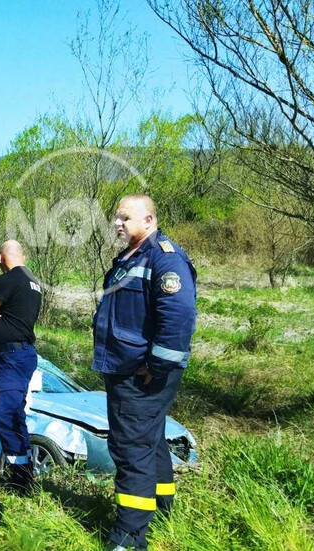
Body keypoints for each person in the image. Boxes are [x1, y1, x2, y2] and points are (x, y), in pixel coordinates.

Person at [92, 194, 197, 551]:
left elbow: (179, 317)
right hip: (127, 369)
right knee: (149, 441)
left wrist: (157, 365)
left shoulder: (164, 259)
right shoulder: (130, 257)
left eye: (125, 217)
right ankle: (164, 509)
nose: (117, 224)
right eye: (115, 218)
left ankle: (128, 537)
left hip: (142, 376)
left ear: (149, 220)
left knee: (130, 448)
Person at [0, 240, 42, 493]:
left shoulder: (9, 279)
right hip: (22, 355)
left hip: (12, 356)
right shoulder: (33, 282)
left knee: (5, 414)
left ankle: (19, 479)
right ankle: (24, 473)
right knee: (15, 414)